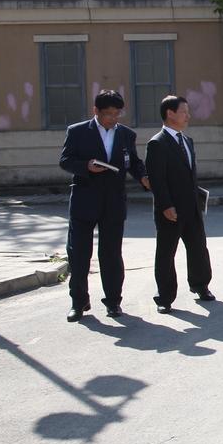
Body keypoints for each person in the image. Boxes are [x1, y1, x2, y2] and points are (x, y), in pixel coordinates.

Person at [58, 89, 149, 322]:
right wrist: (86, 166)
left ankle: (113, 302)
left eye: (117, 114)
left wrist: (143, 177)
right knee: (78, 254)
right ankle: (78, 302)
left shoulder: (126, 135)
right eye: (108, 113)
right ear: (96, 111)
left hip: (114, 202)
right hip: (84, 201)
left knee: (111, 254)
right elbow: (65, 161)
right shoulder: (77, 132)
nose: (113, 118)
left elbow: (134, 163)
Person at [146, 95, 215, 314]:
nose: (188, 116)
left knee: (198, 248)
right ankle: (165, 297)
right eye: (184, 111)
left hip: (192, 206)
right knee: (166, 253)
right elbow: (157, 179)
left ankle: (201, 285)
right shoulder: (157, 143)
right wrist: (166, 205)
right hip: (170, 210)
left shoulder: (187, 140)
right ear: (170, 113)